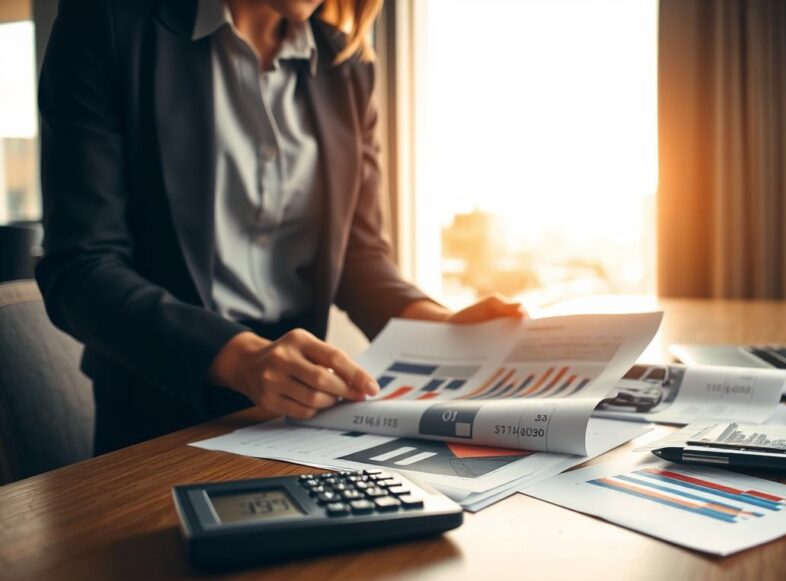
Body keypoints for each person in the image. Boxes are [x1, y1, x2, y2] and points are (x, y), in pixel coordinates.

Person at [36, 0, 524, 455]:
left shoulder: (346, 67)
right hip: (155, 425)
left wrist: (444, 328)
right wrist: (244, 359)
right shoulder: (110, 24)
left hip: (299, 423)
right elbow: (80, 269)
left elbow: (360, 260)